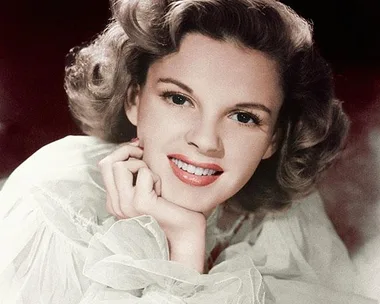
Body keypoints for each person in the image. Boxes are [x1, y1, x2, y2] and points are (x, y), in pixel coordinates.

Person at [0, 0, 377, 303]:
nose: (206, 140)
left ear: (274, 140)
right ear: (134, 99)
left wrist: (184, 240)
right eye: (179, 99)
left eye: (243, 117)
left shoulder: (282, 228)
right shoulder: (56, 204)